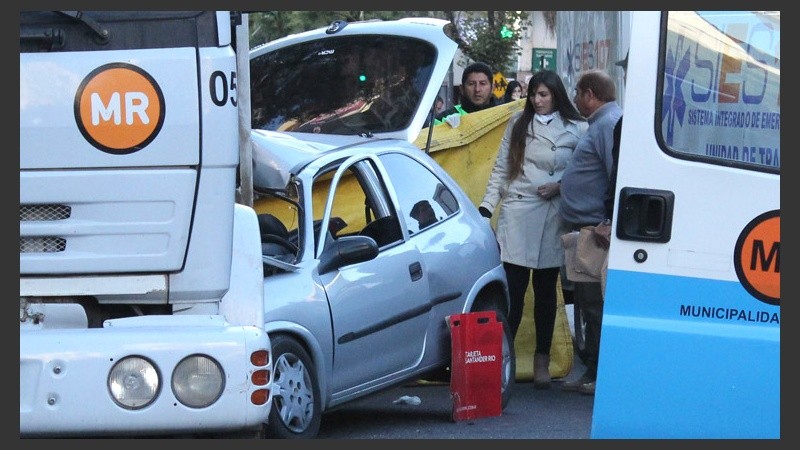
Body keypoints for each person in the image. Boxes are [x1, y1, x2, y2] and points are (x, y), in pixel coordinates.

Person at [479, 70, 587, 390]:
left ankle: (541, 358)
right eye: (533, 95)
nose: (537, 101)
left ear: (556, 95)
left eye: (543, 95)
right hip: (518, 209)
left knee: (544, 293)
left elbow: (585, 171)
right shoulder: (518, 124)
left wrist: (560, 185)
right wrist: (487, 207)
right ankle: (504, 359)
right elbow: (501, 167)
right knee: (512, 293)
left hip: (553, 213)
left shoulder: (578, 128)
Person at [558, 69, 623, 396]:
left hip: (596, 231)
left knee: (594, 305)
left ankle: (600, 372)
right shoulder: (601, 124)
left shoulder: (608, 125)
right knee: (586, 304)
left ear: (590, 94)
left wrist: (608, 221)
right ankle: (590, 369)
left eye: (578, 93)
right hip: (587, 227)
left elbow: (616, 177)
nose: (575, 100)